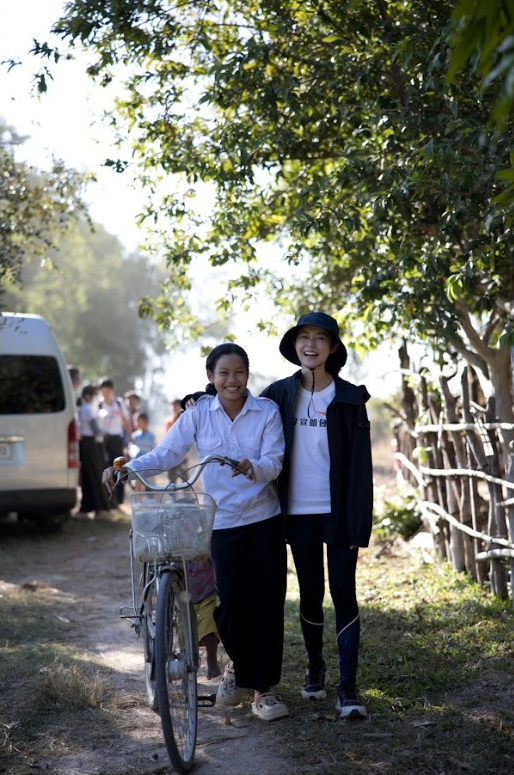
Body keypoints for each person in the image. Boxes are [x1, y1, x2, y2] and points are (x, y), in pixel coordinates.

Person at [103, 343, 289, 722]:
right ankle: (238, 667)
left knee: (267, 606)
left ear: (248, 376)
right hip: (221, 523)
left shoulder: (267, 412)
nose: (232, 380)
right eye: (224, 373)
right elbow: (169, 453)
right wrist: (129, 468)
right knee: (231, 607)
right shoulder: (199, 413)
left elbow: (276, 460)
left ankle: (263, 692)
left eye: (239, 372)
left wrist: (254, 467)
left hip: (263, 519)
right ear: (211, 377)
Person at [261, 312, 373, 720]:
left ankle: (348, 686)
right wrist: (201, 395)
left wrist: (360, 521)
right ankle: (315, 668)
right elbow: (234, 398)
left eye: (320, 338)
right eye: (303, 337)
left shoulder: (349, 398)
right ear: (294, 346)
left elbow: (361, 468)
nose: (311, 345)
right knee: (310, 592)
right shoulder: (277, 395)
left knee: (343, 591)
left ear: (333, 347)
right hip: (297, 511)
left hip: (338, 513)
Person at [76, 384, 111, 519]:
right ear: (88, 396)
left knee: (91, 475)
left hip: (89, 444)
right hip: (89, 444)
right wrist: (105, 432)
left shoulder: (88, 409)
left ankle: (94, 507)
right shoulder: (88, 410)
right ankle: (97, 507)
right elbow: (96, 430)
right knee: (94, 475)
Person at [98, 378, 133, 504]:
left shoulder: (118, 403)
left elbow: (125, 421)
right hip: (103, 442)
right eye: (103, 389)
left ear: (112, 390)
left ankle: (119, 499)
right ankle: (107, 500)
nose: (105, 392)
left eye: (108, 389)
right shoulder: (98, 405)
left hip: (117, 440)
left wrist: (130, 438)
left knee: (119, 468)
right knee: (105, 469)